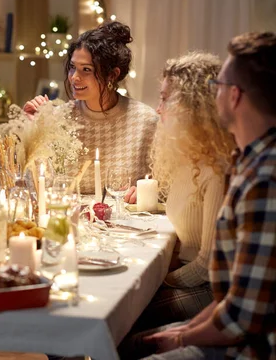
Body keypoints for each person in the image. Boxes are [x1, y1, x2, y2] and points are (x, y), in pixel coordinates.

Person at [133, 31, 276, 359]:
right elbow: (231, 301)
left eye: (219, 87)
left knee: (130, 334)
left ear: (236, 96)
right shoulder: (248, 160)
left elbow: (241, 318)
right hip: (228, 320)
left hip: (249, 350)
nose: (213, 95)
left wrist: (180, 338)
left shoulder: (264, 179)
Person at [124, 53, 235, 337]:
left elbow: (207, 267)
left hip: (208, 290)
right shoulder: (190, 158)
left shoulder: (216, 170)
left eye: (165, 99)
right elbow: (189, 213)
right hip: (185, 276)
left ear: (193, 106)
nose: (158, 109)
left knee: (124, 318)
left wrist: (160, 280)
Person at [24, 21, 158, 194]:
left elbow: (164, 187)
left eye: (86, 69)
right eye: (73, 67)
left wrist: (145, 192)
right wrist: (32, 131)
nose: (74, 78)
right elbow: (34, 186)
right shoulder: (58, 118)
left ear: (112, 74)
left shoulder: (145, 121)